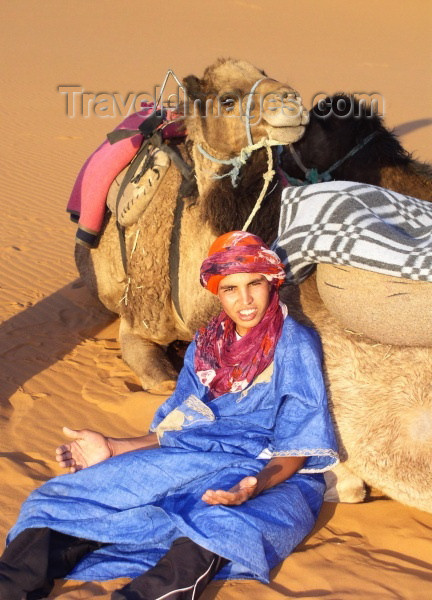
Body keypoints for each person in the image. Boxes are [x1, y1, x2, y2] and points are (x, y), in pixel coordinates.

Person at [0, 231, 339, 600]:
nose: (245, 300)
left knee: (220, 525)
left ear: (271, 282)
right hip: (187, 455)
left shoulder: (294, 345)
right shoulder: (207, 345)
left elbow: (298, 445)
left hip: (263, 467)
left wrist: (254, 485)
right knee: (67, 499)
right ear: (216, 292)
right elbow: (182, 422)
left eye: (254, 283)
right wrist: (114, 447)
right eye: (230, 288)